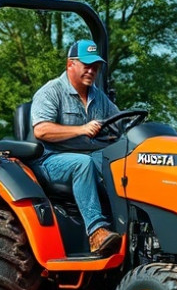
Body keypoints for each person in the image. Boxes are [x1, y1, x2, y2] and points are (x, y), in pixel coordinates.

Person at [29, 39, 122, 256]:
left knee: (118, 163)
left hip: (89, 154)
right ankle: (96, 232)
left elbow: (120, 122)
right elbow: (41, 130)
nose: (92, 71)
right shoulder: (51, 91)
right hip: (50, 159)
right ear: (70, 64)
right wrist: (81, 129)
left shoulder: (99, 97)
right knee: (83, 163)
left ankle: (127, 223)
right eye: (86, 65)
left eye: (95, 67)